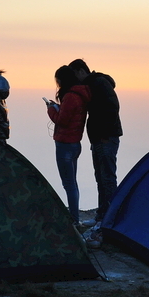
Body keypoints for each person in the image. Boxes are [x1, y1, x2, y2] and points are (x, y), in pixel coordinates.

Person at [69, 59, 123, 225]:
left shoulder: (99, 83)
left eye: (74, 75)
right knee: (101, 176)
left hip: (105, 137)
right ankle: (102, 216)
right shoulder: (96, 83)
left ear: (80, 71)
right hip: (100, 138)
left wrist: (104, 133)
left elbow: (112, 107)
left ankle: (110, 218)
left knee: (107, 177)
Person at [46, 65, 91, 223]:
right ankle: (74, 216)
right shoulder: (81, 94)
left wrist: (51, 109)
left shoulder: (71, 97)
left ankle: (73, 219)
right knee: (72, 183)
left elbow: (62, 121)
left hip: (64, 145)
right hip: (75, 144)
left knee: (69, 184)